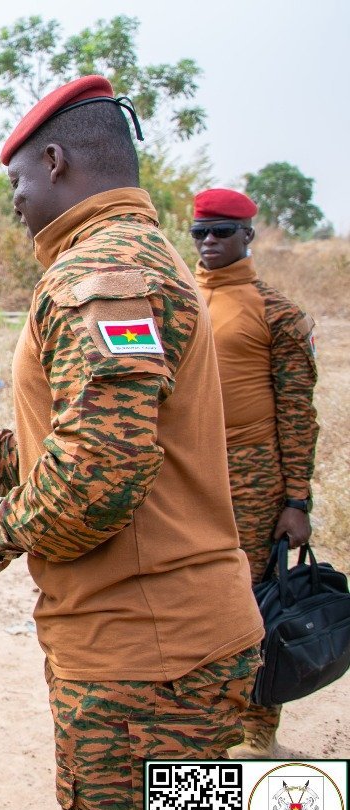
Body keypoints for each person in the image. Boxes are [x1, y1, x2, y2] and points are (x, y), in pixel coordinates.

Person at [0, 76, 264, 810]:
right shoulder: (135, 258)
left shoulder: (101, 278)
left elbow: (99, 472)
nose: (15, 201)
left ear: (55, 161)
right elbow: (72, 444)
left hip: (144, 660)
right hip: (177, 641)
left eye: (17, 181)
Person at [191, 187, 319, 758]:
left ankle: (257, 732)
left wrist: (298, 501)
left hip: (253, 483)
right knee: (191, 599)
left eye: (222, 231)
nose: (211, 242)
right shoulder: (177, 300)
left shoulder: (278, 314)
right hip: (183, 474)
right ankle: (200, 726)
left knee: (254, 606)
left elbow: (297, 414)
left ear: (249, 233)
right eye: (201, 233)